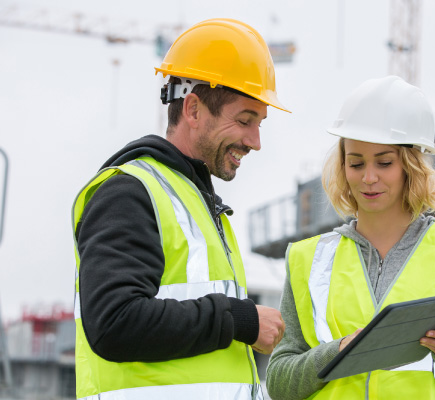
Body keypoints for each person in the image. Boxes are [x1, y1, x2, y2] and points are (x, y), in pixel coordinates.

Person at [71, 18, 288, 400]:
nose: (255, 141)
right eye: (244, 120)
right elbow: (114, 323)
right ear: (193, 110)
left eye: (260, 124)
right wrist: (239, 320)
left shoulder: (198, 205)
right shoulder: (129, 193)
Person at [266, 76, 435, 399]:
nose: (369, 178)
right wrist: (337, 352)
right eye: (356, 163)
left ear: (411, 165)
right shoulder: (308, 261)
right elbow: (278, 383)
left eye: (385, 162)